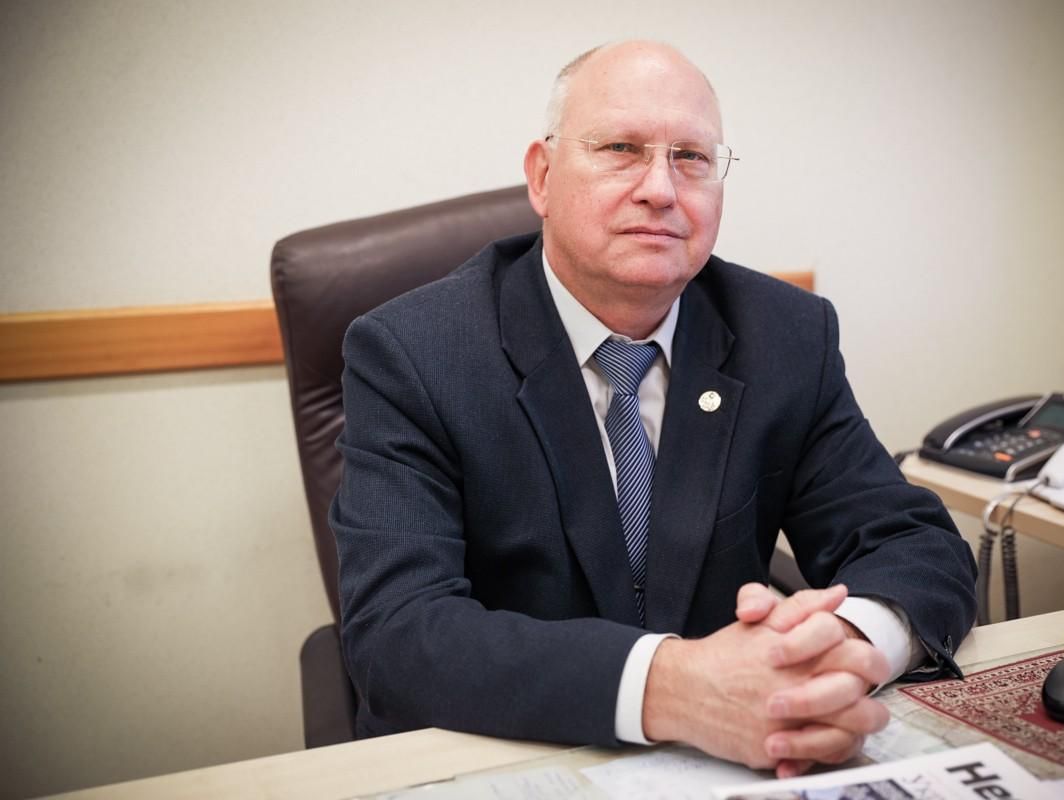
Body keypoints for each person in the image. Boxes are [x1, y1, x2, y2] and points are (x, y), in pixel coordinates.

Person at [330, 40, 976, 776]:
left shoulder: (786, 335)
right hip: (507, 759)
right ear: (542, 176)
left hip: (741, 763)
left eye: (691, 157)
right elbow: (397, 632)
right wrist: (671, 687)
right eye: (621, 149)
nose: (661, 189)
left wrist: (845, 647)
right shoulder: (413, 352)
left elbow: (913, 543)